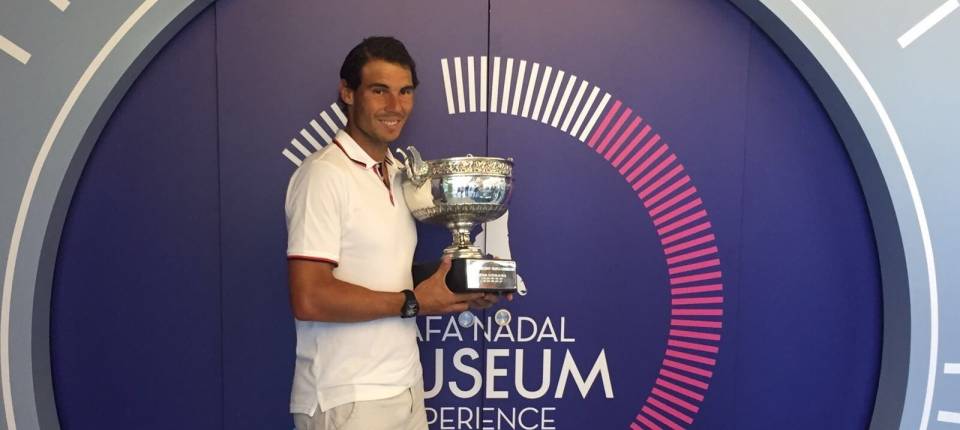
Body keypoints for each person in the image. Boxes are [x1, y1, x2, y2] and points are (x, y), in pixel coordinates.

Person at [284, 36, 500, 430]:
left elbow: (385, 271)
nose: (395, 107)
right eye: (379, 91)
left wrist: (458, 281)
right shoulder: (323, 175)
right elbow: (309, 297)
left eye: (405, 92)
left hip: (405, 386)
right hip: (346, 398)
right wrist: (414, 303)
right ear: (348, 93)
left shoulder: (400, 174)